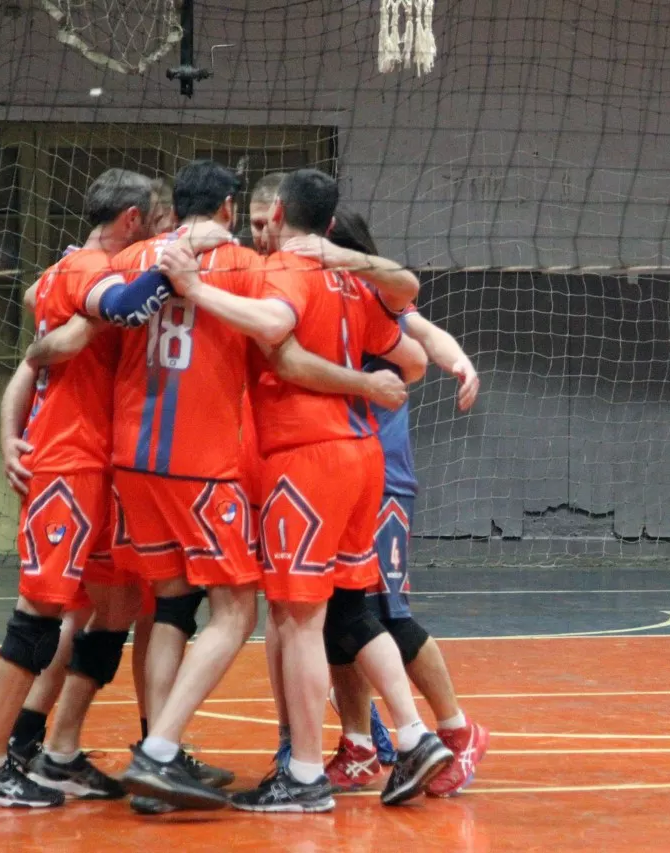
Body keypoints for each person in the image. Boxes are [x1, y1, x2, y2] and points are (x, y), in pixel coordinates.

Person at [220, 168, 451, 813]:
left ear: (280, 215)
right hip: (361, 460)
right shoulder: (355, 279)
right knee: (354, 611)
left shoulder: (277, 275)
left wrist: (192, 287)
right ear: (329, 224)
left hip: (305, 460)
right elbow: (408, 356)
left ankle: (301, 769)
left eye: (265, 218)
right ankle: (412, 734)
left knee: (296, 622)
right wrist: (366, 378)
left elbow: (285, 354)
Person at [0, 168, 153, 807]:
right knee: (40, 616)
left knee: (117, 603)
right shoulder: (85, 270)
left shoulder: (67, 272)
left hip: (94, 462)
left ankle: (60, 752)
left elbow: (44, 350)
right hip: (67, 463)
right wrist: (182, 263)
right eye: (153, 223)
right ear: (131, 220)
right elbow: (109, 313)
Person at [109, 159, 287, 810]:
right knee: (238, 608)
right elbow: (280, 330)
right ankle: (158, 752)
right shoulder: (241, 262)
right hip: (200, 461)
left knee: (170, 604)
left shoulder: (133, 258)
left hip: (133, 457)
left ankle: (160, 752)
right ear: (230, 210)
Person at [307, 207, 488, 797]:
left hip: (380, 476)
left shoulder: (372, 293)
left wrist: (457, 360)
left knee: (386, 612)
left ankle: (457, 731)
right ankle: (358, 747)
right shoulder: (309, 295)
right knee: (339, 617)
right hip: (331, 471)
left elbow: (423, 331)